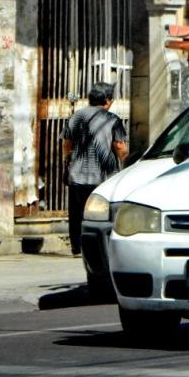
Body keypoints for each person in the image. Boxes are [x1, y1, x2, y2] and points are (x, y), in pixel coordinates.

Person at [62, 82, 128, 256]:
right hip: (103, 177)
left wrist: (69, 160)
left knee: (76, 214)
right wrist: (125, 163)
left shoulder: (76, 117)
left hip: (77, 175)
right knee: (102, 214)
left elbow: (67, 144)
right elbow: (120, 147)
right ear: (107, 100)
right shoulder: (112, 120)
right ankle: (100, 248)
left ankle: (77, 248)